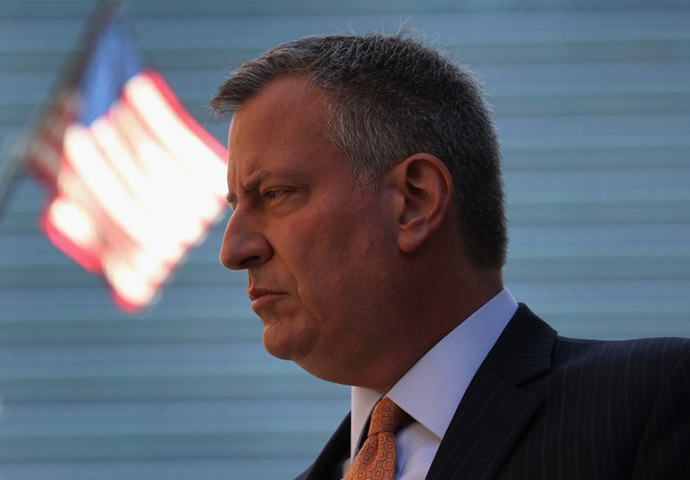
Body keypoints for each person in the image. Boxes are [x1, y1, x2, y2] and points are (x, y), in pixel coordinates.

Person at [210, 34, 690, 480]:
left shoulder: (651, 401)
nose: (234, 250)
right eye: (235, 206)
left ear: (415, 201)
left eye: (275, 194)